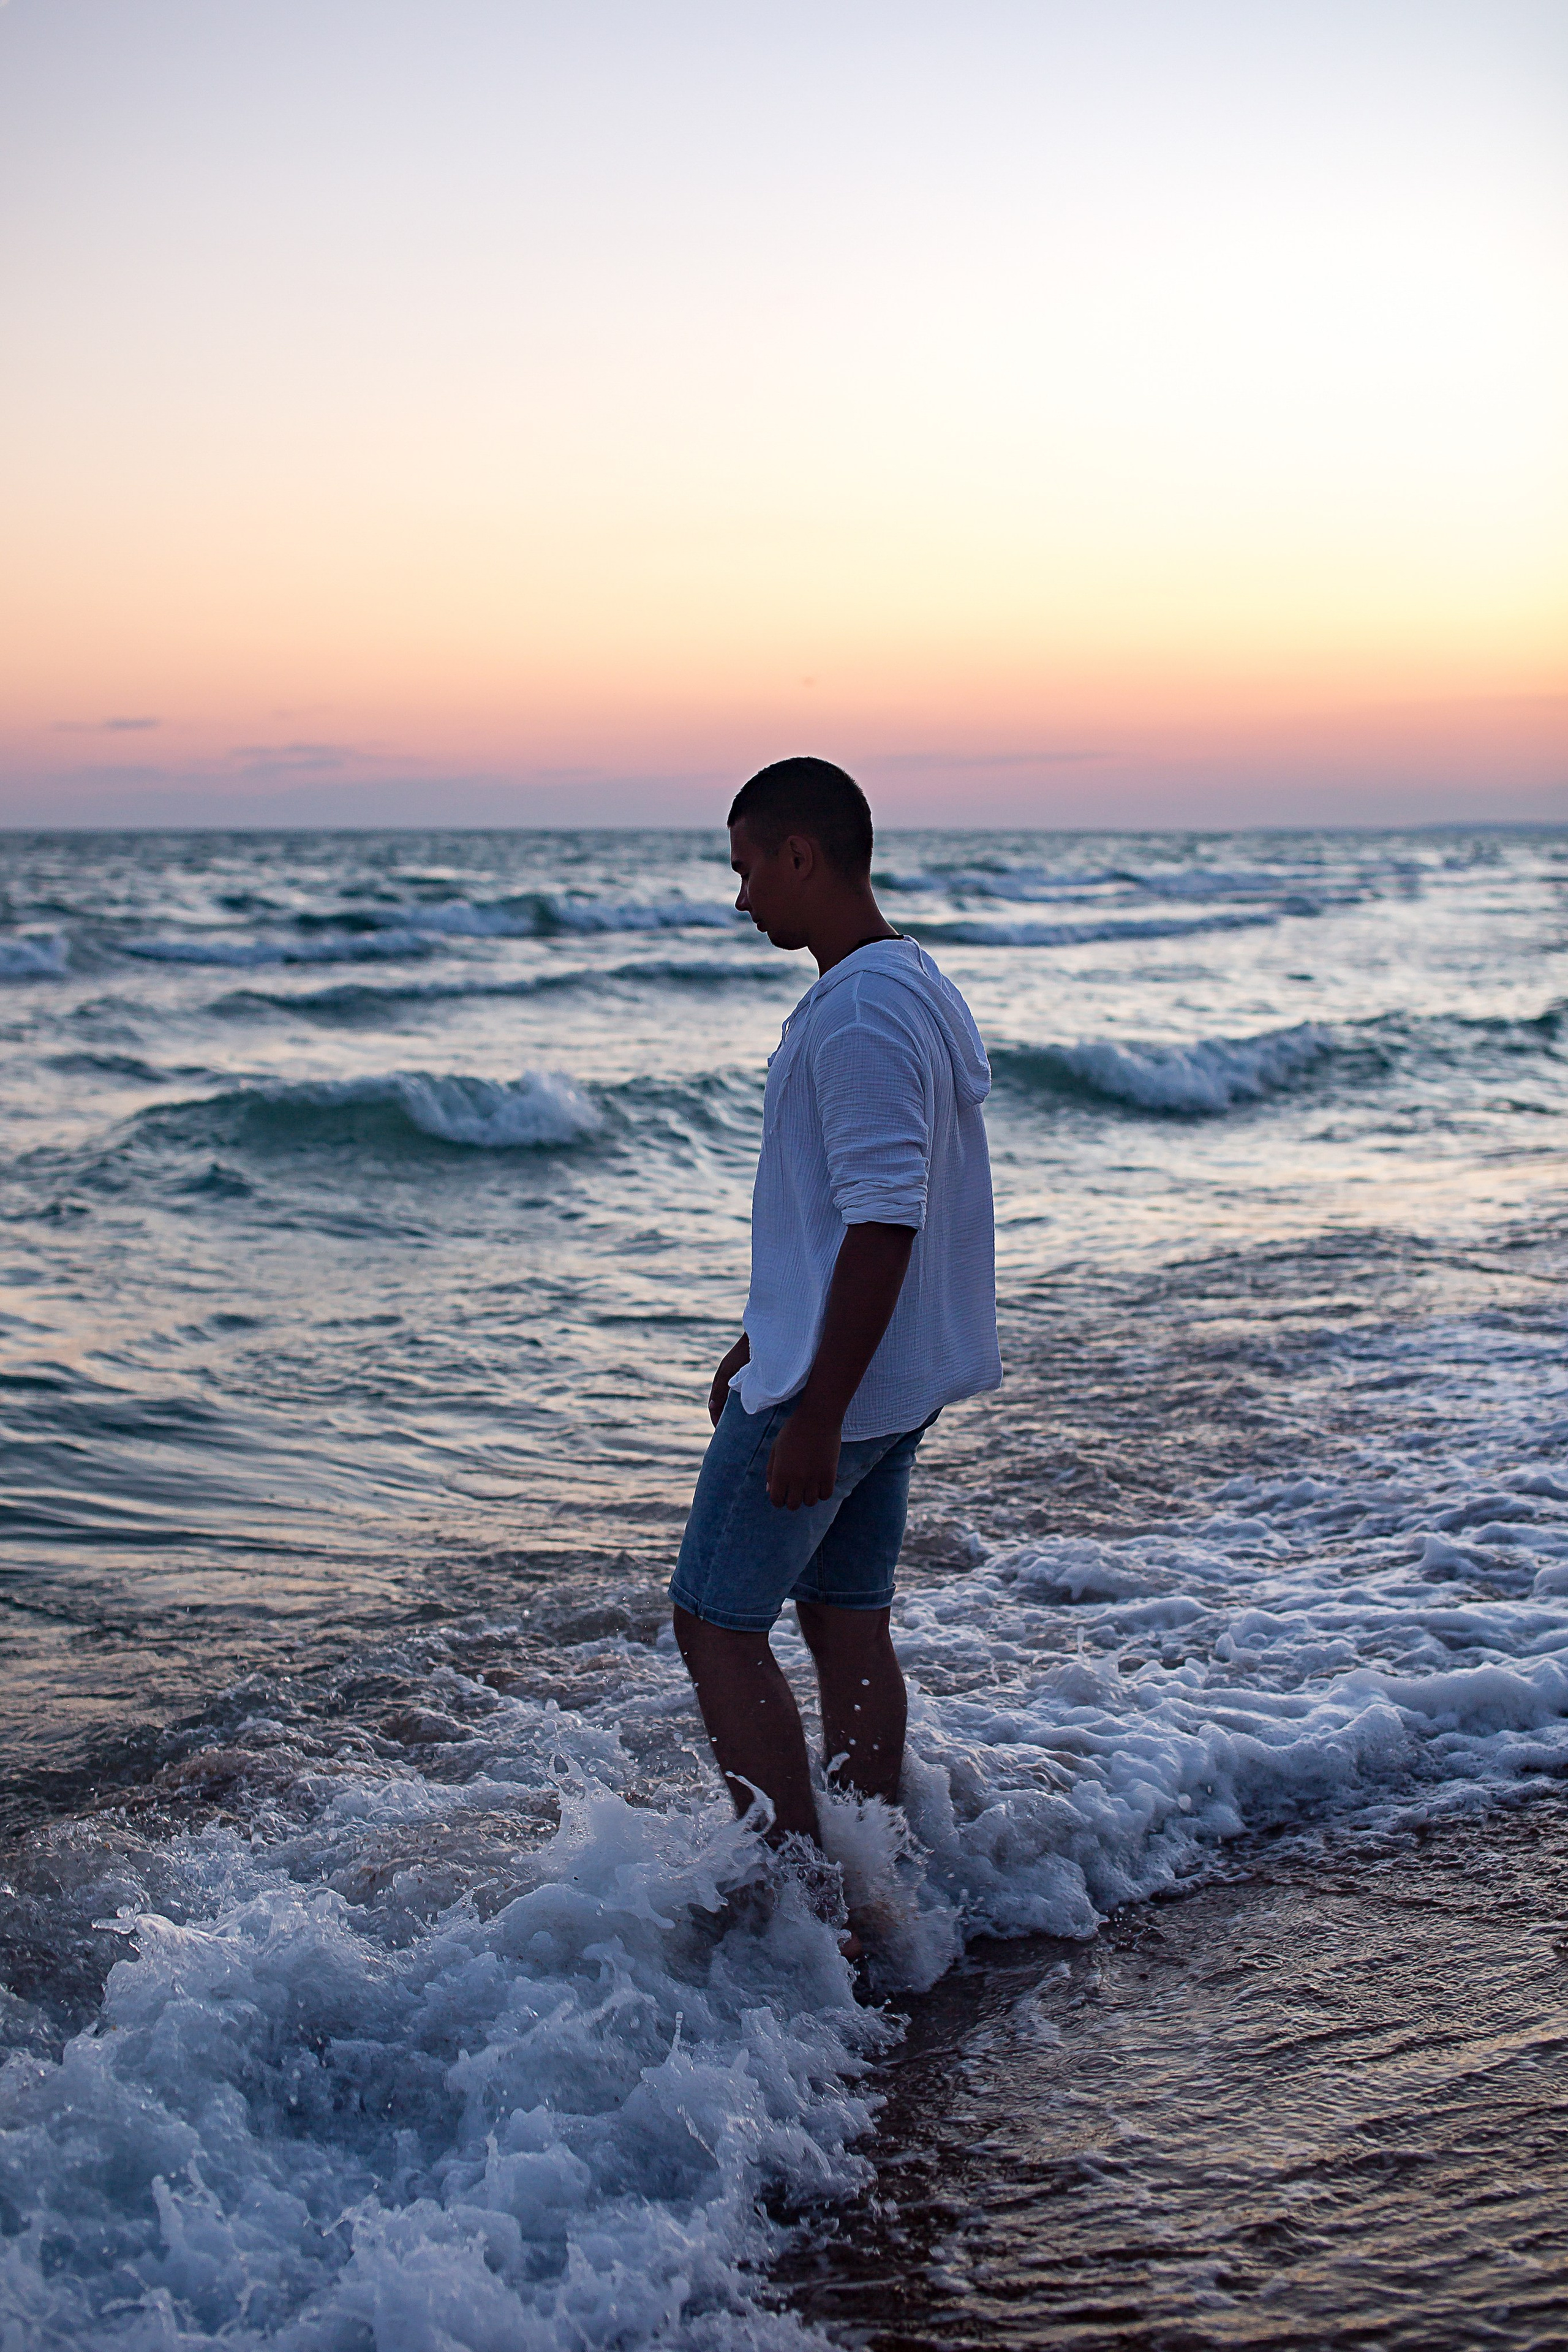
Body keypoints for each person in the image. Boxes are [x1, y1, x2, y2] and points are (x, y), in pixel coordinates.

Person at [669, 756, 1001, 1929]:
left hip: (838, 1393)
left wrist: (807, 1407)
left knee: (715, 1623)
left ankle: (802, 1904)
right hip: (890, 1378)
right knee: (846, 1622)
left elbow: (883, 1216)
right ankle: (875, 1872)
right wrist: (763, 1330)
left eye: (748, 867)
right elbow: (854, 1215)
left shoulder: (858, 1011)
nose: (743, 897)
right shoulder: (909, 982)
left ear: (800, 854)